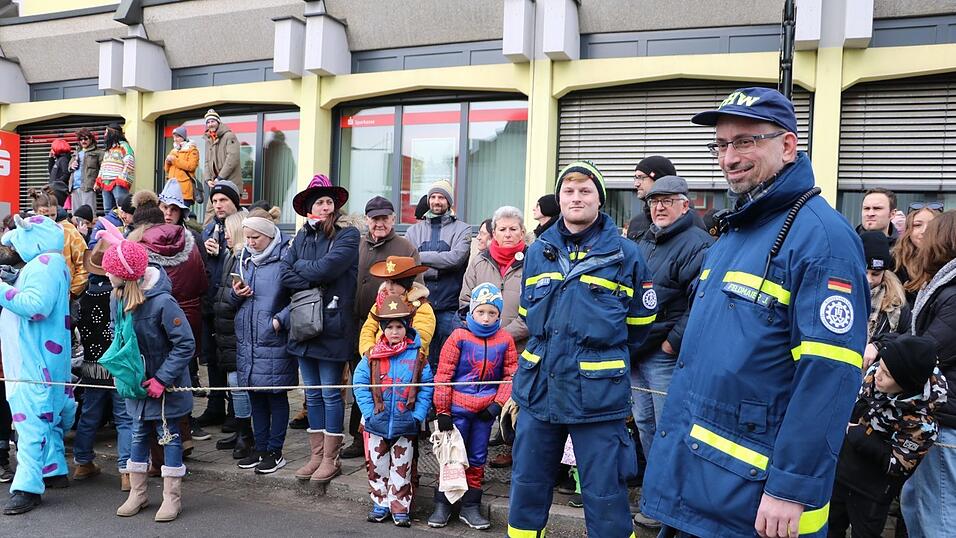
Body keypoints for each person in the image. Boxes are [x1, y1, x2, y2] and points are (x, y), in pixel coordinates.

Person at [640, 87, 869, 538]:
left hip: (755, 499)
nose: (729, 157)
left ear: (787, 145)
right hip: (702, 482)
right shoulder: (738, 231)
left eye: (746, 141)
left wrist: (791, 486)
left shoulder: (822, 239)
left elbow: (829, 372)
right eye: (721, 145)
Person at [509, 160, 655, 537]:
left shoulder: (626, 254)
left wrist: (602, 360)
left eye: (585, 191)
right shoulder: (538, 250)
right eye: (569, 191)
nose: (576, 198)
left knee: (605, 492)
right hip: (539, 387)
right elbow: (528, 314)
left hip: (598, 394)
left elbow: (639, 326)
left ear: (600, 200)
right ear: (560, 198)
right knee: (526, 485)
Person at [630, 174, 714, 529]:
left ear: (685, 204)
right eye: (654, 201)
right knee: (647, 425)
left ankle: (673, 506)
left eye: (667, 200)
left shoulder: (698, 244)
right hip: (638, 350)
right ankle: (658, 497)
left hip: (664, 353)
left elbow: (702, 303)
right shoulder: (645, 240)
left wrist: (671, 342)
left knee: (669, 428)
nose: (659, 207)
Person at [99, 230, 193, 523]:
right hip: (135, 385)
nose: (105, 275)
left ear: (124, 275)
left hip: (166, 385)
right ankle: (138, 493)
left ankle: (171, 499)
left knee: (169, 437)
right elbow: (119, 337)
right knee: (138, 434)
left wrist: (162, 379)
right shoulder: (116, 298)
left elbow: (185, 343)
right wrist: (121, 369)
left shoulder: (163, 303)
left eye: (109, 271)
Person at [281, 174, 358, 485]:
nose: (325, 206)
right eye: (319, 202)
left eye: (329, 201)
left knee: (329, 393)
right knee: (310, 394)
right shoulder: (301, 237)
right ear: (310, 207)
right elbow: (285, 273)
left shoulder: (348, 234)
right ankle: (315, 455)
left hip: (332, 323)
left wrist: (305, 270)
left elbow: (330, 267)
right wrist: (311, 275)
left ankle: (331, 457)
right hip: (302, 322)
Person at [828, 335, 946, 537]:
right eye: (879, 366)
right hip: (839, 475)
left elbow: (899, 464)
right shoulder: (876, 374)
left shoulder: (921, 423)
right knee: (829, 529)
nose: (877, 375)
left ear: (907, 385)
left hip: (871, 493)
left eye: (887, 374)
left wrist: (860, 437)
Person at [0, 215, 76, 515]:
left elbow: (36, 307)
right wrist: (13, 280)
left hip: (33, 361)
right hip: (44, 357)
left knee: (30, 421)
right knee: (49, 417)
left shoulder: (44, 264)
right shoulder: (50, 263)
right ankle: (54, 469)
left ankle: (27, 488)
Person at [430, 282, 517, 530]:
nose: (487, 318)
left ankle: (470, 505)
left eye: (493, 313)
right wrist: (443, 411)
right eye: (481, 312)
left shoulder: (505, 340)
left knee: (477, 456)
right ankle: (443, 503)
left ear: (499, 314)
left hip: (484, 411)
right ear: (471, 312)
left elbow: (511, 374)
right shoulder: (459, 337)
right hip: (456, 409)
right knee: (451, 456)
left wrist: (498, 404)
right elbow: (444, 375)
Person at [128, 191, 207, 461]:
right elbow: (203, 282)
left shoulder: (138, 246)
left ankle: (160, 458)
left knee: (157, 383)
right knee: (183, 376)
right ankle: (184, 438)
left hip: (153, 319)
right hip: (189, 312)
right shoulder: (190, 239)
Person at [345, 196, 420, 459]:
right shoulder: (356, 244)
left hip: (393, 332)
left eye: (385, 218)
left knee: (387, 385)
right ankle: (359, 437)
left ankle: (395, 437)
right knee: (362, 381)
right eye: (375, 218)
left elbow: (415, 291)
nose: (380, 223)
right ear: (367, 220)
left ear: (393, 219)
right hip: (357, 326)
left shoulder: (405, 247)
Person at [895, 211, 956, 537]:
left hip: (945, 425)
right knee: (917, 510)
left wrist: (886, 355)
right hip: (934, 421)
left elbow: (928, 352)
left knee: (940, 521)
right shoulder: (944, 287)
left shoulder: (954, 293)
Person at [352, 293, 434, 528]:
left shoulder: (418, 357)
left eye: (399, 326)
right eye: (390, 327)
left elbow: (426, 387)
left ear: (406, 327)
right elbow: (359, 384)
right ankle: (380, 502)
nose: (395, 332)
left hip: (404, 423)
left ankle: (400, 506)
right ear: (382, 329)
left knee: (402, 466)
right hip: (376, 423)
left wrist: (417, 416)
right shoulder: (371, 356)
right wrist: (368, 412)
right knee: (376, 465)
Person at [459, 205, 529, 470]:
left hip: (520, 346)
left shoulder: (533, 261)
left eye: (514, 229)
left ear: (522, 232)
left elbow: (535, 309)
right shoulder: (479, 260)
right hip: (481, 347)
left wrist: (502, 335)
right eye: (503, 229)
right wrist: (483, 333)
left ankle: (516, 454)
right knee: (485, 400)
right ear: (493, 233)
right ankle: (474, 460)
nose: (508, 234)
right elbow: (464, 301)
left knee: (518, 402)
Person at [231, 209, 293, 474]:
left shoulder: (284, 261)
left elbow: (298, 298)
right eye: (247, 237)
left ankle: (275, 451)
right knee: (255, 396)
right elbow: (231, 300)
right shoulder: (245, 261)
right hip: (248, 339)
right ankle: (260, 447)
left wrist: (279, 321)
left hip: (273, 338)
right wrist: (236, 294)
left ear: (269, 236)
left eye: (255, 237)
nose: (250, 242)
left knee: (275, 395)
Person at [71, 229, 135, 491]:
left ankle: (82, 462)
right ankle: (126, 471)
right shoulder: (122, 293)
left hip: (91, 364)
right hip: (117, 364)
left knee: (89, 414)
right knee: (124, 418)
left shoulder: (84, 295)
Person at [405, 179, 472, 371]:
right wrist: (438, 263)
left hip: (449, 307)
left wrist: (420, 258)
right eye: (433, 197)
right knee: (420, 361)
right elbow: (408, 262)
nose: (436, 201)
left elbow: (455, 259)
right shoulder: (413, 230)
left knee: (449, 363)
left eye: (441, 197)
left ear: (449, 201)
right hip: (419, 307)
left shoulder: (463, 229)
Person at [197, 180, 242, 432]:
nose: (218, 205)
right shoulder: (209, 228)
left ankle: (236, 410)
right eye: (214, 201)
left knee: (232, 358)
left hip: (233, 304)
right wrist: (207, 253)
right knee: (213, 358)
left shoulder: (242, 226)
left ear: (234, 201)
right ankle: (215, 405)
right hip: (211, 302)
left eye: (223, 200)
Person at [211, 211, 252, 458]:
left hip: (236, 331)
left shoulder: (242, 259)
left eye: (227, 229)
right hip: (226, 330)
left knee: (239, 385)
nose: (224, 234)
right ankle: (240, 429)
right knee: (233, 384)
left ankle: (246, 434)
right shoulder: (229, 256)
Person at [28, 187, 88, 301]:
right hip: (34, 295)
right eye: (45, 216)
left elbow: (84, 263)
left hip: (64, 296)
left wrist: (71, 293)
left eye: (52, 215)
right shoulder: (27, 233)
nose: (50, 219)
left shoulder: (69, 231)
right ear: (35, 213)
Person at [861, 231, 911, 339]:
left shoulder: (897, 303)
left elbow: (907, 337)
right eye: (864, 272)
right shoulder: (842, 294)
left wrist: (880, 345)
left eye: (875, 274)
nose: (869, 279)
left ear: (884, 273)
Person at [894, 203, 944, 305]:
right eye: (917, 225)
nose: (924, 231)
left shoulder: (949, 262)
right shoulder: (895, 262)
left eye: (931, 225)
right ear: (908, 230)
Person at [627, 155, 677, 241]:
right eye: (635, 178)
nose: (636, 184)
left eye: (641, 178)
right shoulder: (636, 223)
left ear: (659, 179)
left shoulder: (686, 221)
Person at [95, 123, 134, 213]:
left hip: (118, 183)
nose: (104, 135)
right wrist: (98, 180)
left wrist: (121, 179)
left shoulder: (124, 146)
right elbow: (103, 165)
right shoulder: (109, 149)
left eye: (106, 132)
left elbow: (129, 163)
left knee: (121, 208)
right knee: (108, 210)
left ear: (112, 133)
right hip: (105, 183)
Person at [202, 109, 242, 193]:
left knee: (225, 206)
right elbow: (206, 162)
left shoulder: (229, 136)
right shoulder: (208, 140)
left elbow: (232, 159)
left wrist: (220, 177)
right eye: (208, 122)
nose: (210, 124)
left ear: (218, 122)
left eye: (212, 121)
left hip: (230, 183)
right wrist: (208, 179)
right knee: (210, 206)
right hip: (216, 183)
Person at [164, 125, 200, 206]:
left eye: (177, 137)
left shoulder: (192, 150)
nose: (175, 139)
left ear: (183, 137)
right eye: (174, 137)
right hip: (171, 190)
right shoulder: (174, 150)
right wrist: (167, 162)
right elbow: (166, 170)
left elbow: (191, 166)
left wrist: (174, 160)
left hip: (184, 191)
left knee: (182, 216)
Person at [69, 129, 102, 212]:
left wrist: (98, 183)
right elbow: (69, 167)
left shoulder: (98, 152)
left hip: (88, 186)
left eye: (86, 139)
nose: (83, 141)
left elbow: (103, 169)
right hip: (75, 187)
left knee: (89, 213)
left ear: (91, 139)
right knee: (76, 215)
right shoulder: (76, 152)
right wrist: (71, 166)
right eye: (81, 139)